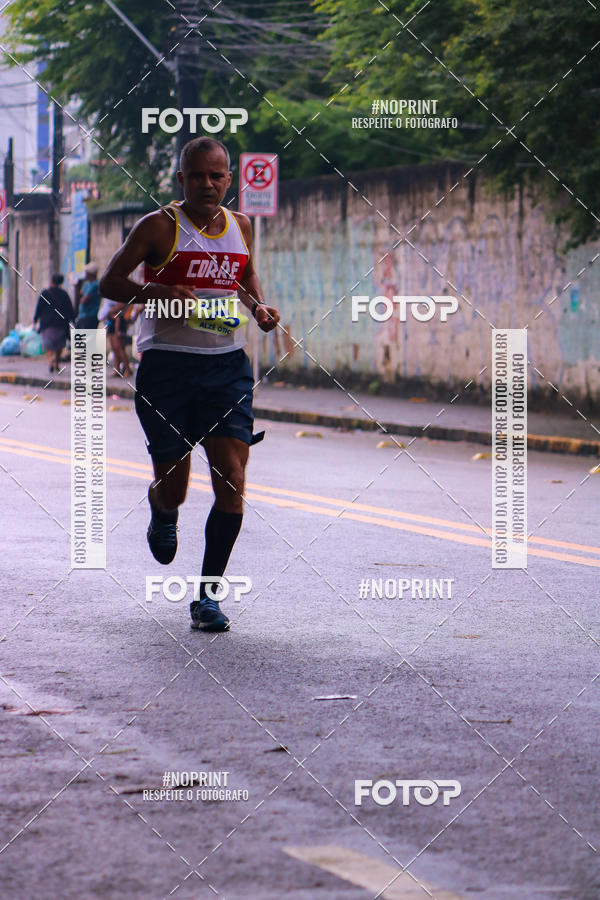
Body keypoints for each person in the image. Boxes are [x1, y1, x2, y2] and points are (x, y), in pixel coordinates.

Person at [99, 137, 280, 632]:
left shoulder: (241, 226)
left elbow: (244, 279)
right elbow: (109, 282)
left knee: (232, 478)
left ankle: (207, 598)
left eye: (217, 175)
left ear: (228, 180)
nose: (208, 183)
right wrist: (154, 288)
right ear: (181, 180)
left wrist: (258, 308)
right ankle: (162, 508)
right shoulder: (158, 226)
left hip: (226, 367)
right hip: (167, 369)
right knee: (176, 486)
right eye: (197, 175)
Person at [33, 274, 75, 372]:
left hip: (47, 324)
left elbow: (39, 307)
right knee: (59, 345)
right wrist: (73, 319)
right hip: (61, 324)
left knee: (49, 344)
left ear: (51, 281)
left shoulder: (45, 293)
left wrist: (35, 319)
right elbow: (69, 308)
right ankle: (56, 362)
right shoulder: (64, 294)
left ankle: (50, 359)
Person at [98, 298, 133, 378]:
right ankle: (117, 369)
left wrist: (111, 310)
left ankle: (127, 369)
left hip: (119, 320)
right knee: (114, 348)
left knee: (119, 347)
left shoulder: (123, 294)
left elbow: (122, 305)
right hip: (111, 320)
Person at [76, 262, 102, 328]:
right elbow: (80, 296)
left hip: (89, 317)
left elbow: (84, 300)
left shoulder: (95, 285)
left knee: (87, 337)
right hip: (82, 316)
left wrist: (82, 299)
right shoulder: (86, 284)